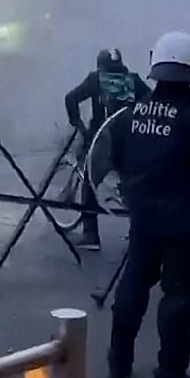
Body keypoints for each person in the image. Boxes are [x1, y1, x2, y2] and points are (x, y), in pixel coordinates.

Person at [106, 31, 190, 378]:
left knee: (132, 288)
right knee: (178, 297)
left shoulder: (131, 114)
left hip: (143, 221)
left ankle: (118, 363)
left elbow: (116, 160)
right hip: (185, 225)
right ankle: (171, 375)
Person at [63, 48, 150, 250]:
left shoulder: (96, 79)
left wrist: (80, 126)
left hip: (104, 139)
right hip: (131, 141)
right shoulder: (133, 79)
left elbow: (70, 98)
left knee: (90, 182)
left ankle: (90, 234)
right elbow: (150, 100)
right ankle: (138, 233)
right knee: (132, 186)